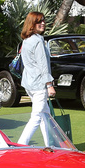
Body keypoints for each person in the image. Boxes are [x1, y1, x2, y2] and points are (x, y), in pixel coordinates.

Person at [17, 11, 56, 146]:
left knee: (45, 114)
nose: (43, 23)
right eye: (39, 22)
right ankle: (21, 145)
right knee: (37, 116)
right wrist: (49, 85)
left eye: (43, 21)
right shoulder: (38, 41)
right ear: (32, 24)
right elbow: (42, 65)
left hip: (29, 84)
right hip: (39, 85)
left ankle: (49, 145)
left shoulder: (26, 41)